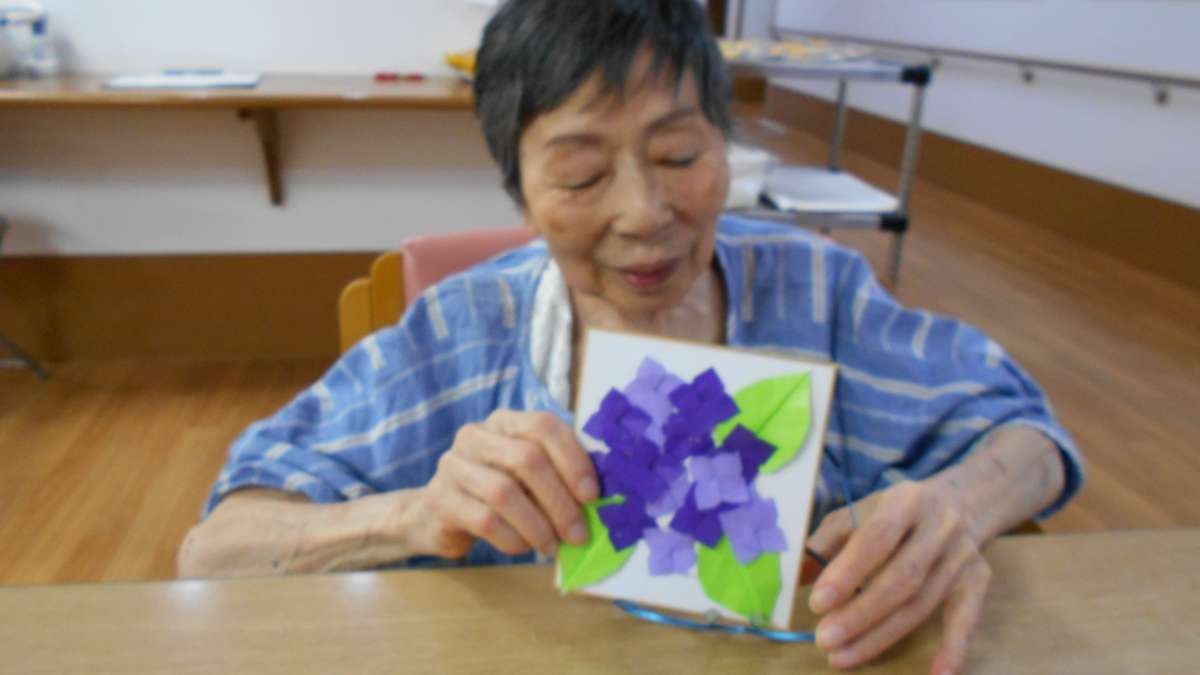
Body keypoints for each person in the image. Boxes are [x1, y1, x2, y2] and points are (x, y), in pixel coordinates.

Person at [178, 1, 1083, 673]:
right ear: (520, 192)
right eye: (580, 176)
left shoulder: (817, 293)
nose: (645, 214)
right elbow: (216, 548)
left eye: (680, 156)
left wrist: (958, 506)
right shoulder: (463, 333)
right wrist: (412, 514)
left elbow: (1025, 429)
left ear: (727, 146)